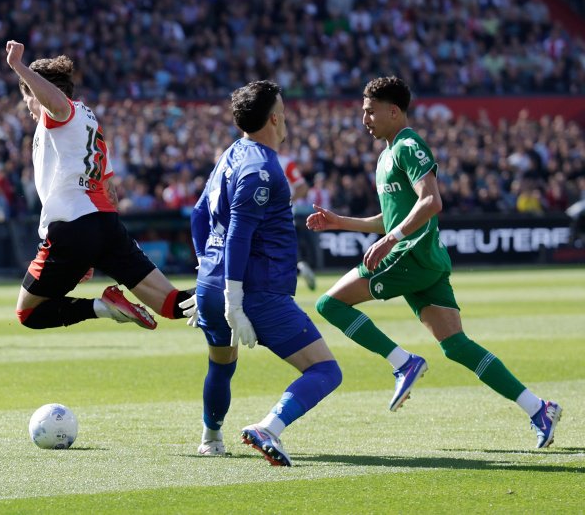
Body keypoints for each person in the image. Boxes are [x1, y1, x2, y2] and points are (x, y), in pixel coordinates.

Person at [308, 76, 562, 448]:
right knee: (456, 346)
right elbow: (391, 218)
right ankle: (539, 408)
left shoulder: (410, 145)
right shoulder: (386, 154)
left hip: (409, 255)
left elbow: (432, 202)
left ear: (393, 111)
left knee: (329, 304)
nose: (364, 119)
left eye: (370, 111)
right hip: (423, 258)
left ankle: (403, 362)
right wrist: (339, 222)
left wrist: (391, 240)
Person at [188, 80, 342, 466]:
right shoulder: (262, 167)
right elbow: (240, 231)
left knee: (221, 364)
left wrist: (206, 269)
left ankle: (210, 438)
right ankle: (268, 427)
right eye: (284, 110)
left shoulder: (231, 154)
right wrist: (233, 300)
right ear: (275, 118)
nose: (287, 116)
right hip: (256, 290)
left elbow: (199, 214)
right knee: (325, 369)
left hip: (213, 281)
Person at [5, 40, 193, 332]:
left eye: (26, 96)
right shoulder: (88, 119)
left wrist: (18, 67)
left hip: (72, 226)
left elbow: (54, 103)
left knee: (30, 314)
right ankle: (234, 296)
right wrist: (90, 252)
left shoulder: (60, 113)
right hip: (106, 224)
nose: (27, 106)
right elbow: (110, 190)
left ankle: (101, 307)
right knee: (171, 303)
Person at [278, 150, 317, 291]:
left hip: (279, 217)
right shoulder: (282, 161)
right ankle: (299, 269)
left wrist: (283, 203)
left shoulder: (285, 162)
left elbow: (303, 187)